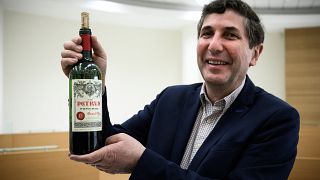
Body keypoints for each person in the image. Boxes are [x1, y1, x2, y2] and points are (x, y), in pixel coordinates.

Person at [61, 0, 300, 179]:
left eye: (230, 35)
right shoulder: (170, 98)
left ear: (255, 54)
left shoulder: (277, 119)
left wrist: (142, 161)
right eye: (207, 33)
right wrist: (94, 84)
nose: (214, 45)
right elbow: (104, 142)